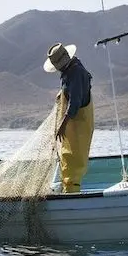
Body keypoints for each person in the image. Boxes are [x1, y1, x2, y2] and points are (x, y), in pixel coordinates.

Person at [44, 42, 94, 193]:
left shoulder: (77, 73)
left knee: (74, 163)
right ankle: (69, 190)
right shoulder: (68, 72)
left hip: (79, 126)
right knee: (67, 158)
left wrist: (62, 125)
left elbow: (75, 103)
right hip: (72, 127)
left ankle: (72, 195)